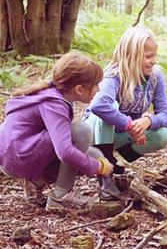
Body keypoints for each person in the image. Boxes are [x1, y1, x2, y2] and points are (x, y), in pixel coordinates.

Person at [0, 52, 114, 211]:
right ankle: (60, 197)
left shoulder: (52, 94)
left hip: (17, 155)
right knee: (81, 132)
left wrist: (98, 161)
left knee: (94, 155)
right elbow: (65, 152)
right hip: (20, 156)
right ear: (79, 89)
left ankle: (34, 184)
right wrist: (97, 167)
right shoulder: (54, 103)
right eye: (95, 84)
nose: (98, 89)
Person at [84, 26, 167, 199]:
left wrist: (148, 121)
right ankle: (105, 176)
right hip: (93, 135)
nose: (153, 61)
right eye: (148, 56)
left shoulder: (155, 76)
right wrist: (129, 124)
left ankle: (116, 164)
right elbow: (98, 106)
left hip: (120, 134)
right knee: (110, 107)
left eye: (154, 55)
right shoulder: (113, 75)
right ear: (131, 56)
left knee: (162, 135)